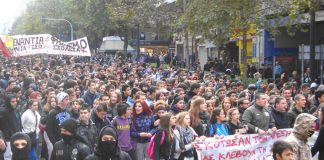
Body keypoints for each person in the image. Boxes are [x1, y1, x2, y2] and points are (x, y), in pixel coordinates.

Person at [0, 93, 21, 160]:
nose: (15, 103)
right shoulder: (3, 112)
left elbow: (18, 123)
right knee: (8, 157)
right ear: (8, 102)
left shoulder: (15, 110)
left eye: (15, 101)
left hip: (16, 137)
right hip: (7, 139)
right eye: (13, 101)